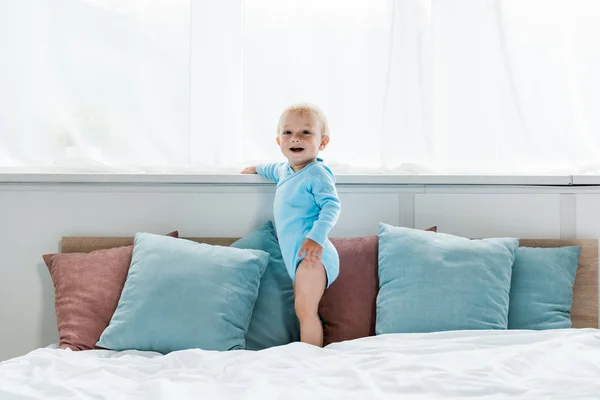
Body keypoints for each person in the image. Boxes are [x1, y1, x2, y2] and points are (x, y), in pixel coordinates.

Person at [242, 103, 341, 347]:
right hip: (296, 257)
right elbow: (272, 168)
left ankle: (311, 358)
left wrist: (316, 237)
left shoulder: (317, 173)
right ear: (279, 142)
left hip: (313, 254)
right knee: (301, 310)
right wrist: (256, 168)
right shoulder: (285, 171)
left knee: (305, 311)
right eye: (288, 133)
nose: (296, 138)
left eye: (306, 132)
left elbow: (331, 206)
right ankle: (306, 354)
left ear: (323, 142)